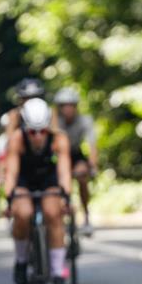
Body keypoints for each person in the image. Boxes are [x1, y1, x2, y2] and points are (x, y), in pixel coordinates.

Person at [3, 98, 72, 284]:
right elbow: (12, 173)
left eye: (42, 131)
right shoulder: (17, 139)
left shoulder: (59, 139)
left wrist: (65, 196)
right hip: (25, 179)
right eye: (33, 132)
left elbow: (64, 172)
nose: (38, 137)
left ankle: (58, 271)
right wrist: (9, 199)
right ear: (26, 128)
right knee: (23, 214)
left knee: (53, 213)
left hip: (48, 180)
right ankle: (21, 261)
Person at [53, 87, 98, 236]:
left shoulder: (84, 120)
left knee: (82, 175)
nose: (67, 109)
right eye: (63, 106)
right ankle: (60, 214)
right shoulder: (54, 121)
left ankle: (86, 215)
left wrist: (92, 166)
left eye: (70, 105)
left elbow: (92, 146)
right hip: (58, 155)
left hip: (75, 154)